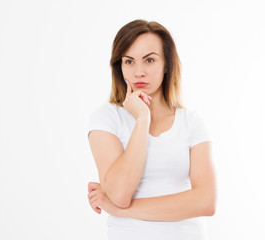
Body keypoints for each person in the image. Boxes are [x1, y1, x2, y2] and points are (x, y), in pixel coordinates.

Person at [87, 19, 216, 240]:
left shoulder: (192, 123)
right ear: (120, 67)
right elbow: (119, 194)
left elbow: (206, 201)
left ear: (167, 64)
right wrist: (142, 118)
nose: (139, 72)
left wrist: (120, 211)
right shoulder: (107, 118)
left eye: (149, 60)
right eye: (129, 61)